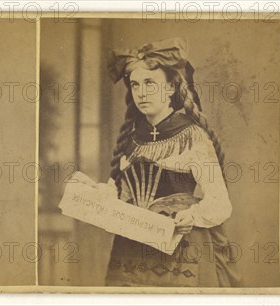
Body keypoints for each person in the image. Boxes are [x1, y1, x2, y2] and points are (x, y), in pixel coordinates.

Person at [102, 38, 240, 287]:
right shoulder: (132, 139)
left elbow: (220, 202)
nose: (141, 93)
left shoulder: (193, 136)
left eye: (150, 84)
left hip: (181, 254)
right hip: (131, 256)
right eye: (135, 85)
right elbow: (124, 198)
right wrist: (103, 199)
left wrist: (191, 215)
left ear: (170, 88)